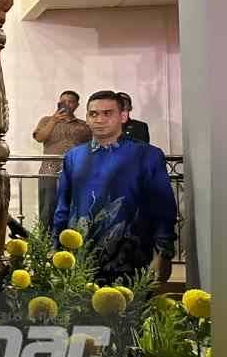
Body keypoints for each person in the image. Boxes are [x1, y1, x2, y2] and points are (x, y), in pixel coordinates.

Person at [53, 91, 176, 284]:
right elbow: (63, 205)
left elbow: (163, 206)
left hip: (133, 258)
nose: (99, 119)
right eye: (93, 114)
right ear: (87, 118)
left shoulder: (147, 155)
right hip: (80, 259)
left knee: (133, 303)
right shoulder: (74, 157)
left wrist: (163, 252)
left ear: (123, 116)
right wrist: (56, 246)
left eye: (107, 113)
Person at [32, 90, 91, 229]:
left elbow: (91, 147)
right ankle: (45, 240)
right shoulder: (46, 120)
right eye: (63, 101)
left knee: (73, 207)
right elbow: (39, 137)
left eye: (70, 101)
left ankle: (71, 238)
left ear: (77, 105)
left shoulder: (84, 125)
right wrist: (54, 120)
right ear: (58, 103)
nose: (67, 104)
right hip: (49, 171)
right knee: (47, 209)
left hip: (75, 172)